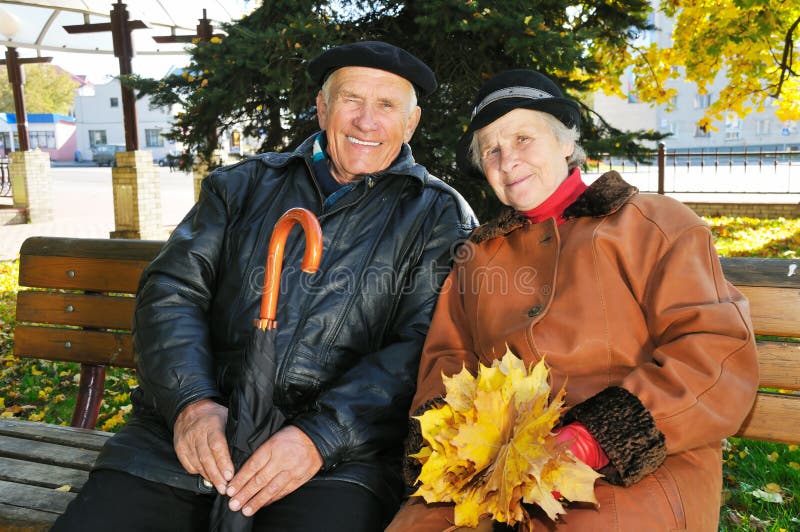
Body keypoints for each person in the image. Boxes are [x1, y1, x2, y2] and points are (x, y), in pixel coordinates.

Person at [52, 41, 477, 532]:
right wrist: (191, 402)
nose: (366, 121)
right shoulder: (240, 186)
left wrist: (319, 438)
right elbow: (171, 291)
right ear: (321, 108)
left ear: (412, 123)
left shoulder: (438, 215)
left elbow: (424, 346)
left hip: (338, 457)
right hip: (188, 437)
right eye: (350, 100)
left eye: (386, 106)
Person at [387, 69, 759, 531]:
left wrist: (596, 437)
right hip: (491, 476)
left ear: (566, 143)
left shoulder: (653, 224)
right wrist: (451, 445)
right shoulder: (476, 257)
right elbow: (447, 360)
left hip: (631, 472)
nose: (507, 161)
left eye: (523, 138)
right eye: (492, 151)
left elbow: (715, 351)